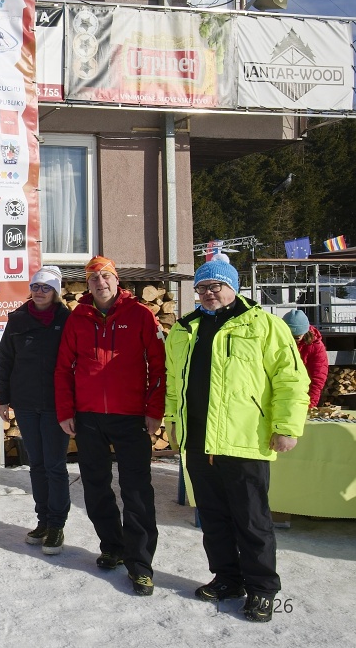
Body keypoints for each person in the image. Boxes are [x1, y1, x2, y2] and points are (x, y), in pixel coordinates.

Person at [164, 257, 308, 623]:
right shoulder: (184, 330)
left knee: (252, 520)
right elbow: (172, 383)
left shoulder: (264, 325)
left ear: (233, 287)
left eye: (216, 286)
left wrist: (287, 426)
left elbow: (291, 379)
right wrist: (173, 422)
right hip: (199, 441)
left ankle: (262, 589)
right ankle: (227, 579)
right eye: (202, 287)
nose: (208, 293)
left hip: (244, 441)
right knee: (212, 518)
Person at [54, 255, 165, 596]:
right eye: (93, 278)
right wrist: (66, 410)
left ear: (117, 280)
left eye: (105, 276)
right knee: (96, 487)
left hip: (131, 416)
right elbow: (63, 368)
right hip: (89, 417)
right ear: (87, 285)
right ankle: (113, 546)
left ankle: (140, 564)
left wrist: (154, 410)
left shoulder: (140, 315)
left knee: (136, 490)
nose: (100, 283)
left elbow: (159, 366)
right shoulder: (78, 318)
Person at [0, 266, 71, 554]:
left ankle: (57, 525)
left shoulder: (67, 319)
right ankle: (43, 521)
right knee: (37, 465)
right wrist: (3, 398)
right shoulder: (17, 319)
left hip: (56, 404)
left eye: (46, 287)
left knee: (55, 466)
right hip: (26, 403)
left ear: (56, 291)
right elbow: (5, 360)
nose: (40, 292)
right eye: (36, 286)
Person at [283, 309, 328, 408]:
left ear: (305, 332)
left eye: (296, 337)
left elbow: (318, 377)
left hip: (302, 393)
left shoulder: (316, 347)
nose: (293, 341)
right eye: (288, 337)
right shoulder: (275, 342)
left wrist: (310, 404)